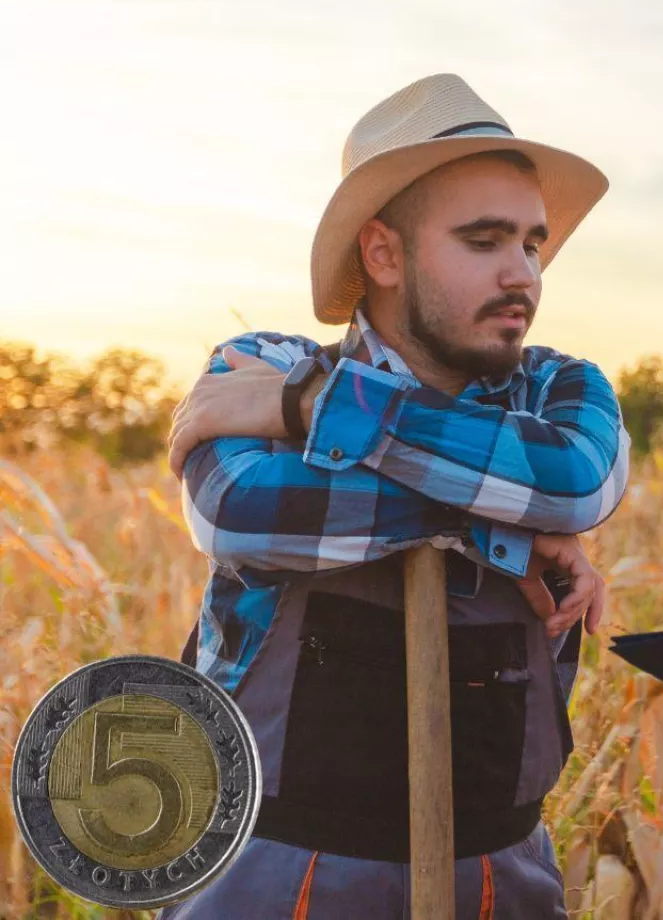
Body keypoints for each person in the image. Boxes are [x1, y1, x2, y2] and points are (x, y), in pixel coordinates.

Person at [160, 74, 630, 919]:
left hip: (500, 880)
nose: (522, 272)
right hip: (273, 876)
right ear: (382, 254)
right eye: (484, 241)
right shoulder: (256, 362)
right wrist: (511, 526)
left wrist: (317, 409)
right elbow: (244, 512)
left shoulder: (559, 387)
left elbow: (576, 480)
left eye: (531, 243)